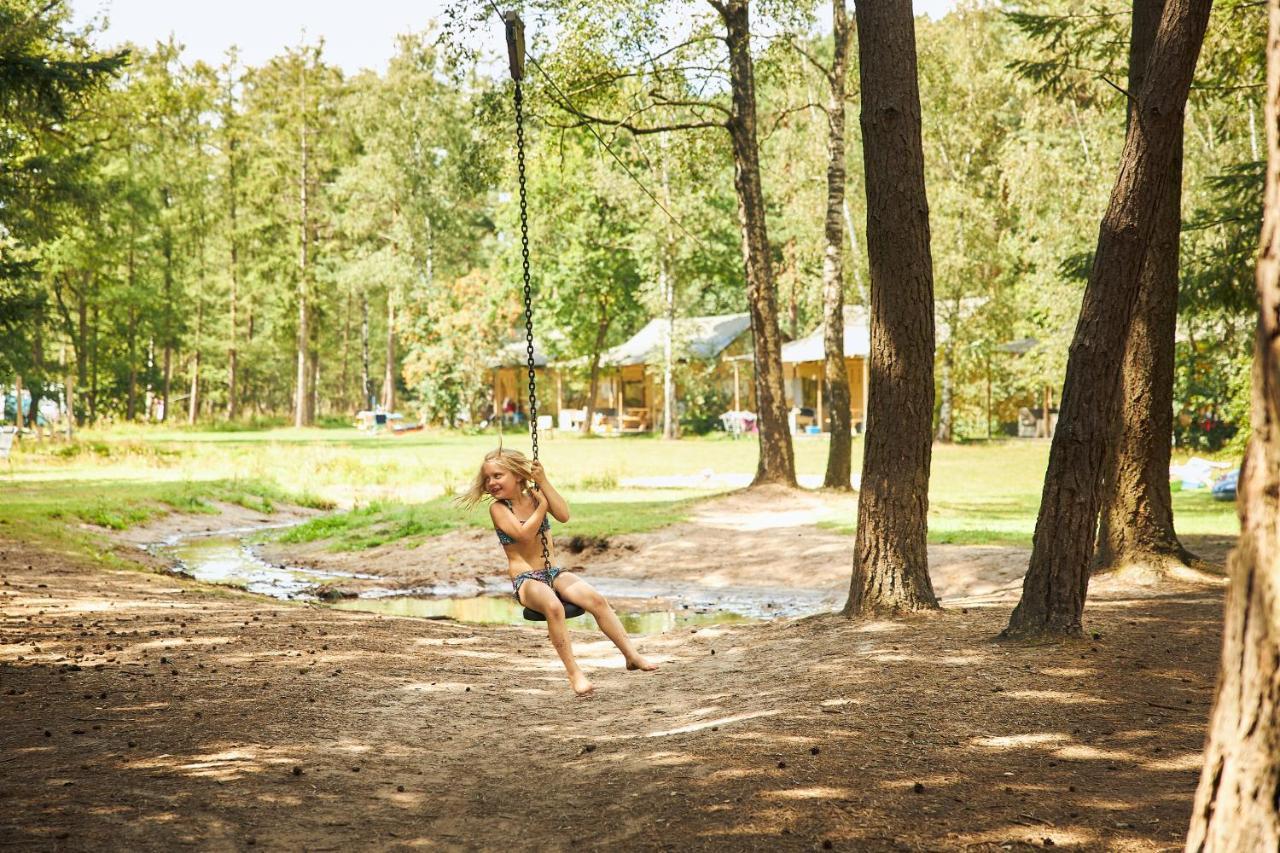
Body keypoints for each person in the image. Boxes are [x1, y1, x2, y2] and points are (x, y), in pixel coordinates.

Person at [459, 448, 657, 696]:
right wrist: (541, 507)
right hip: (526, 579)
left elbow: (563, 515)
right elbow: (523, 534)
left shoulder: (535, 495)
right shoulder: (499, 509)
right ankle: (575, 673)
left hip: (554, 572)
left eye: (498, 476)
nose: (491, 483)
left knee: (595, 599)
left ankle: (631, 655)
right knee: (554, 607)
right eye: (487, 478)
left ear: (518, 475)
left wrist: (544, 483)